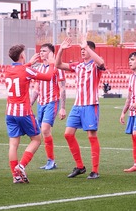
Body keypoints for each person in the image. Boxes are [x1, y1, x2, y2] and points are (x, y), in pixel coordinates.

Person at [55, 37, 106, 179]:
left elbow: (101, 62)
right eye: (81, 49)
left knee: (91, 136)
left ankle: (95, 170)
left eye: (85, 49)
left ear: (91, 50)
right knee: (68, 134)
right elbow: (58, 64)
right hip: (77, 106)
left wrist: (88, 47)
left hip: (90, 105)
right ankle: (80, 166)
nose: (82, 51)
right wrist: (61, 49)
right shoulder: (78, 66)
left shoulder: (95, 65)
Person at [5, 44, 55, 184]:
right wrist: (51, 63)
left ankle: (15, 176)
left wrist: (29, 63)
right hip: (23, 112)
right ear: (22, 55)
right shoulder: (26, 70)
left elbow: (19, 70)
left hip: (9, 112)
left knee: (13, 145)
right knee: (37, 139)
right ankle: (21, 165)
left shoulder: (8, 69)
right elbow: (48, 76)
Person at [31, 43, 66, 170]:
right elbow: (36, 88)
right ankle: (51, 161)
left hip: (52, 101)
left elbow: (62, 88)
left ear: (51, 53)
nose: (41, 53)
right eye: (40, 51)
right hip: (41, 103)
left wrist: (63, 107)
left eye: (44, 51)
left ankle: (51, 160)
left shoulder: (57, 67)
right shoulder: (39, 68)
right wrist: (30, 104)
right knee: (44, 132)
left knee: (45, 129)